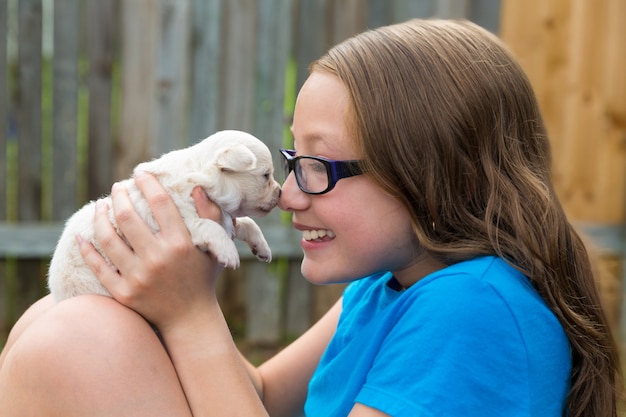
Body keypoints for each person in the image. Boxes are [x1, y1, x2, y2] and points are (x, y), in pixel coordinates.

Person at [0, 18, 621, 417]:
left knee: (74, 341)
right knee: (63, 319)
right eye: (294, 160)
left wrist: (191, 317)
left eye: (319, 166)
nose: (292, 195)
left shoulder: (475, 310)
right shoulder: (385, 290)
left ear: (431, 173)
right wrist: (153, 296)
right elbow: (263, 399)